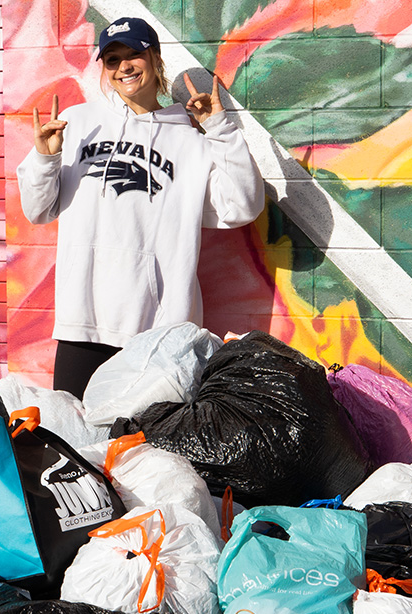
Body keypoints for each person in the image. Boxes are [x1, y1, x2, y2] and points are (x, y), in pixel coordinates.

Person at [17, 16, 264, 398]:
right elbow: (38, 210)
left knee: (146, 450)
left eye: (134, 54)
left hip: (159, 333)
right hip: (84, 322)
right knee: (76, 445)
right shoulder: (77, 123)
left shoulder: (191, 141)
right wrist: (45, 158)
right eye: (112, 60)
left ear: (155, 58)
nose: (124, 67)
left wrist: (220, 129)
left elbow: (241, 207)